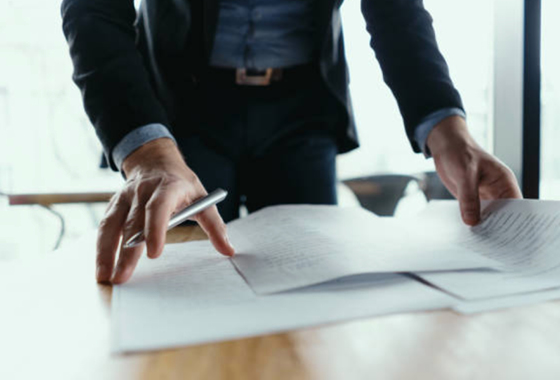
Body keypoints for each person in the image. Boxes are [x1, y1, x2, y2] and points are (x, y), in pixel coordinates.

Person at [61, 0, 522, 284]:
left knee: (314, 284)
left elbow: (396, 10)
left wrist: (446, 126)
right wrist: (146, 151)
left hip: (302, 112)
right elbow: (93, 7)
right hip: (180, 116)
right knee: (175, 279)